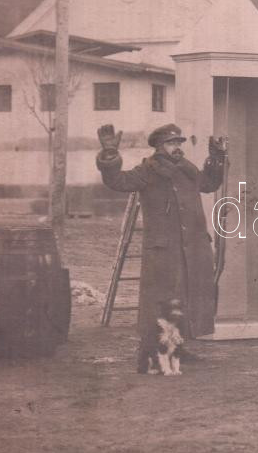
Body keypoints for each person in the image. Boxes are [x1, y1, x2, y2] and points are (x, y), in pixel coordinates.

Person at [96, 123, 226, 371]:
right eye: (171, 143)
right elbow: (117, 181)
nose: (176, 147)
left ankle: (177, 348)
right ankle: (149, 355)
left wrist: (216, 158)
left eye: (178, 143)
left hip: (191, 247)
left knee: (184, 297)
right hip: (164, 249)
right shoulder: (148, 170)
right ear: (159, 146)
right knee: (159, 301)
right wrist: (110, 155)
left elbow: (209, 184)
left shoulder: (186, 169)